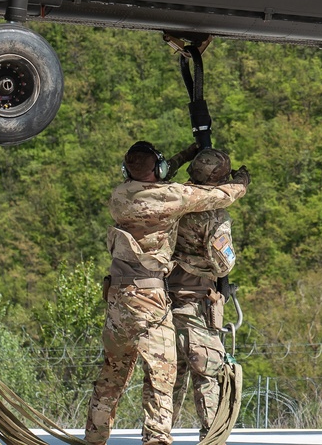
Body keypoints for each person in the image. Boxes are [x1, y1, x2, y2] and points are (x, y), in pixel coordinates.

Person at [84, 141, 251, 445]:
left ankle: (94, 439)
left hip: (118, 297)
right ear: (157, 171)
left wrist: (186, 154)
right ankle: (156, 440)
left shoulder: (120, 195)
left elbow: (156, 175)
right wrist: (242, 182)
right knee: (161, 376)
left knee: (111, 376)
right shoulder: (173, 197)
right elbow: (221, 199)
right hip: (151, 298)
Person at [168, 148, 239, 441]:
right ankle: (211, 435)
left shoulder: (171, 197)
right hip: (195, 300)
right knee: (206, 371)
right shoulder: (212, 214)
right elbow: (224, 262)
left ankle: (158, 432)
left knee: (169, 375)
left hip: (162, 297)